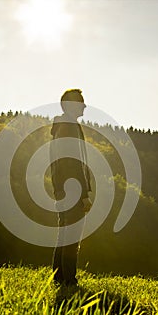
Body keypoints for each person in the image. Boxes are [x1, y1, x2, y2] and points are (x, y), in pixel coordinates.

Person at [50, 89, 92, 286]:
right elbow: (73, 162)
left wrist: (58, 189)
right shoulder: (69, 126)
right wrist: (84, 193)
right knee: (71, 237)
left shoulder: (60, 127)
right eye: (81, 102)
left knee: (64, 235)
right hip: (73, 190)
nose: (84, 106)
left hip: (63, 189)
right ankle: (69, 280)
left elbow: (56, 162)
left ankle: (59, 277)